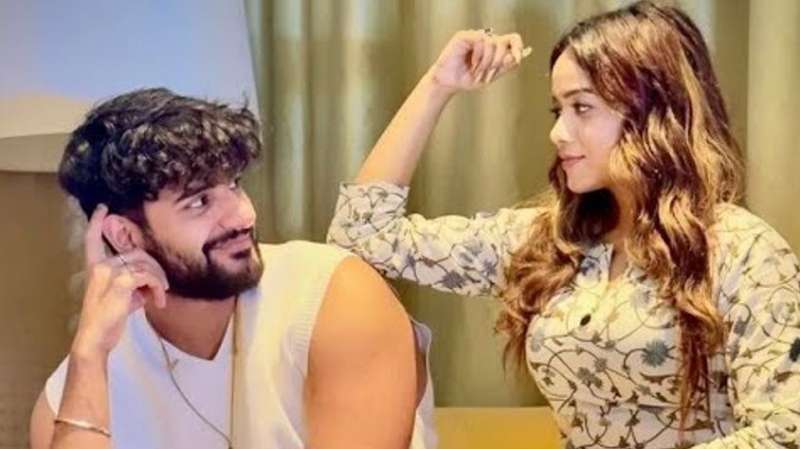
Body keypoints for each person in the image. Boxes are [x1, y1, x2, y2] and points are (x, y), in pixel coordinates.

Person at [327, 1, 800, 448]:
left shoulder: (743, 250)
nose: (558, 133)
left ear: (652, 112)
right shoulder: (548, 243)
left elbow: (785, 430)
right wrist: (438, 84)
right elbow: (363, 235)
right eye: (558, 110)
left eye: (582, 107)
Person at [29, 88, 436, 449]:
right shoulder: (77, 385)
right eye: (199, 202)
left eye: (235, 184)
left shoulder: (334, 296)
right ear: (125, 236)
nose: (243, 216)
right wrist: (89, 354)